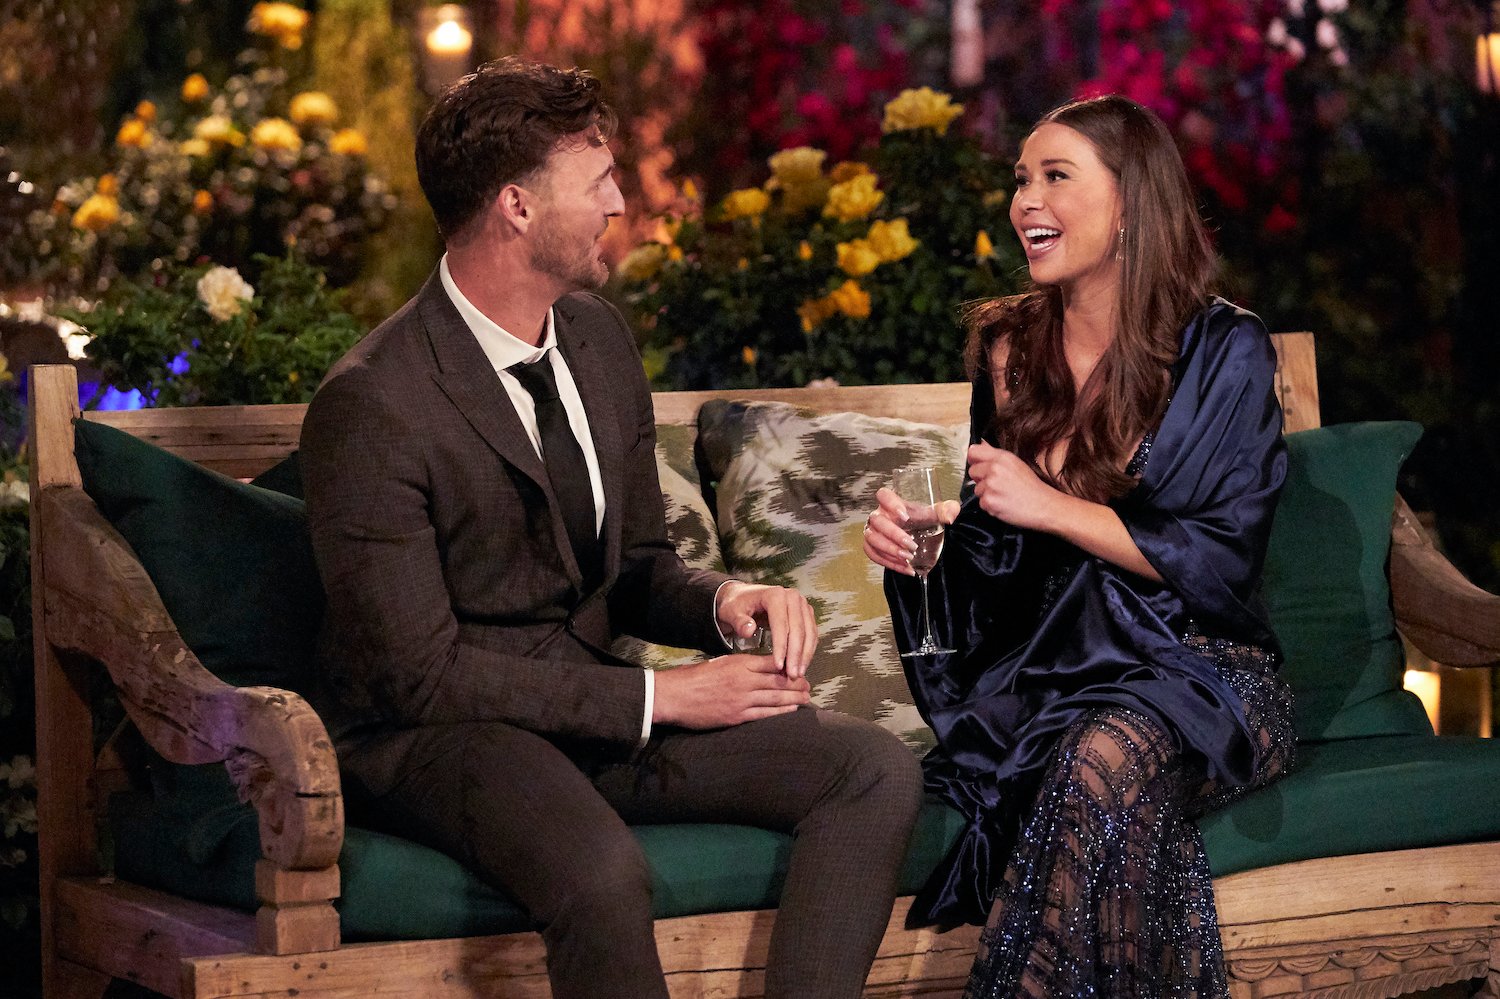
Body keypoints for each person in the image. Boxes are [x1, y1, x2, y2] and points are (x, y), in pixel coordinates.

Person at [300, 57, 923, 999]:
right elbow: (417, 675)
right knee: (600, 875)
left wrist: (726, 600)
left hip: (593, 711)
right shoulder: (374, 401)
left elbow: (636, 565)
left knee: (871, 768)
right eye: (597, 181)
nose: (620, 204)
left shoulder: (594, 339)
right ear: (516, 206)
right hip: (439, 734)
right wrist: (660, 698)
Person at [862, 94, 1295, 997]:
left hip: (1206, 671)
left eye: (1056, 176)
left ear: (1130, 199)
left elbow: (1222, 561)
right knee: (1096, 775)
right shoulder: (1009, 349)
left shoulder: (1226, 350)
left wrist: (1051, 507)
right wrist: (932, 554)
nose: (1026, 201)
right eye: (1022, 179)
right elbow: (1005, 567)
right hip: (1057, 672)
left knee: (1096, 760)